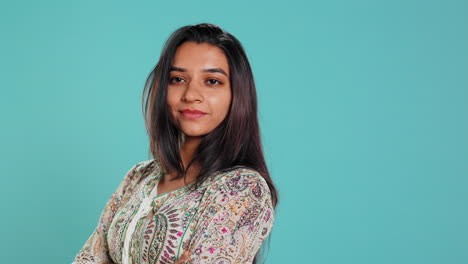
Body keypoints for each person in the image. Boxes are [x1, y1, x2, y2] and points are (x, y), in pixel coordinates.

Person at [72, 23, 279, 264]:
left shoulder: (242, 189)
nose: (191, 94)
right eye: (178, 79)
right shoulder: (138, 178)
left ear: (237, 94)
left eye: (212, 81)